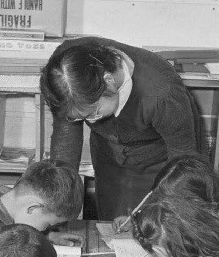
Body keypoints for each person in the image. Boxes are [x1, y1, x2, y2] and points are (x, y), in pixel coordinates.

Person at [40, 36, 202, 220]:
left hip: (159, 162)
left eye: (94, 113)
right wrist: (59, 203)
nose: (91, 121)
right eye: (83, 118)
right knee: (111, 224)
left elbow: (183, 160)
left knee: (154, 224)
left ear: (109, 81)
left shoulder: (162, 93)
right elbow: (66, 134)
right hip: (108, 155)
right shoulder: (66, 69)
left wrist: (163, 209)